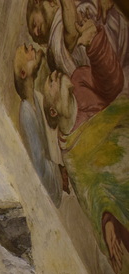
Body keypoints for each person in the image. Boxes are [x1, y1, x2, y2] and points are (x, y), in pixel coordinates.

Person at [42, 16, 124, 134]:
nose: (54, 73)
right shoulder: (66, 145)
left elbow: (112, 84)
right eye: (51, 81)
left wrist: (95, 44)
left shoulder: (79, 79)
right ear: (53, 112)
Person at [14, 43, 68, 204]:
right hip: (54, 190)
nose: (31, 47)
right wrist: (59, 174)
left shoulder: (37, 99)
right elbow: (39, 167)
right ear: (24, 73)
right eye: (26, 50)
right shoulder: (26, 112)